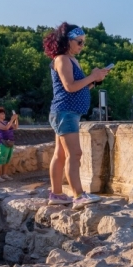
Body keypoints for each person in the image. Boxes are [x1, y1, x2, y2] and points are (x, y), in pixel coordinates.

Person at [43, 23, 110, 209]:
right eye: (79, 42)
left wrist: (95, 80)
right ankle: (78, 195)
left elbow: (78, 87)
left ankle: (56, 194)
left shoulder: (70, 59)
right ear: (67, 40)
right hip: (65, 112)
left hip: (66, 112)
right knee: (75, 153)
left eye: (83, 42)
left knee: (61, 154)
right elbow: (69, 86)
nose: (82, 45)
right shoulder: (62, 59)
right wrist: (92, 76)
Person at [0, 107, 18, 182]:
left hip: (9, 143)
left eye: (4, 113)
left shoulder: (7, 122)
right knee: (1, 159)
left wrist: (16, 119)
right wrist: (12, 119)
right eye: (2, 114)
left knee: (7, 159)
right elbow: (6, 128)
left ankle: (4, 174)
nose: (4, 115)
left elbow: (16, 127)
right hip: (1, 143)